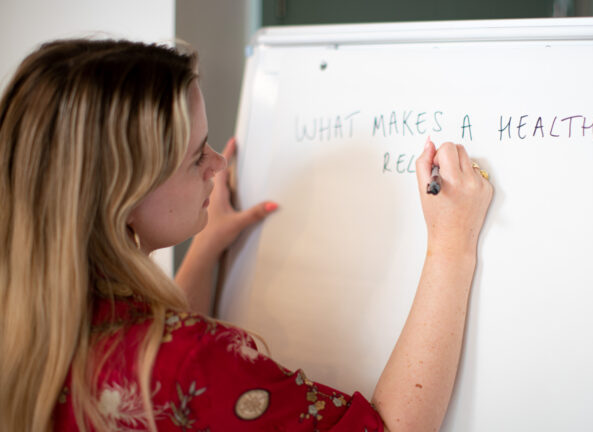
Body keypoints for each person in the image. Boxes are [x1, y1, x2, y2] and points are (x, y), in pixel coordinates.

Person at [0, 39, 492, 431]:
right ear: (122, 199)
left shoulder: (32, 318)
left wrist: (207, 246)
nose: (218, 165)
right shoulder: (194, 363)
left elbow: (157, 344)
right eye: (196, 157)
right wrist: (452, 244)